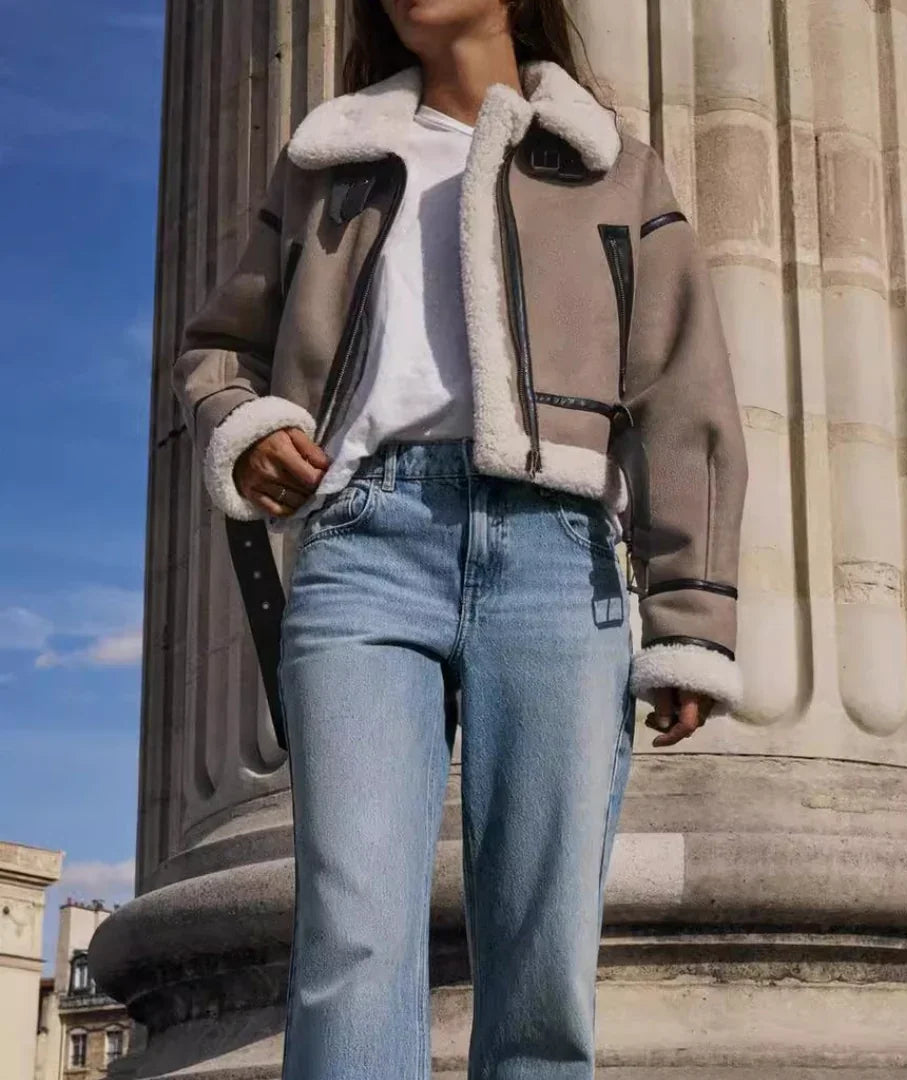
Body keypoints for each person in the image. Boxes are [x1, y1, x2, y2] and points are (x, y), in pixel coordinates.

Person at [171, 0, 748, 1075]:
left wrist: (691, 616)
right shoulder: (330, 164)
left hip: (556, 553)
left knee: (542, 953)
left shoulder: (612, 168)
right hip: (361, 546)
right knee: (350, 931)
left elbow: (683, 393)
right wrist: (247, 429)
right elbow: (218, 350)